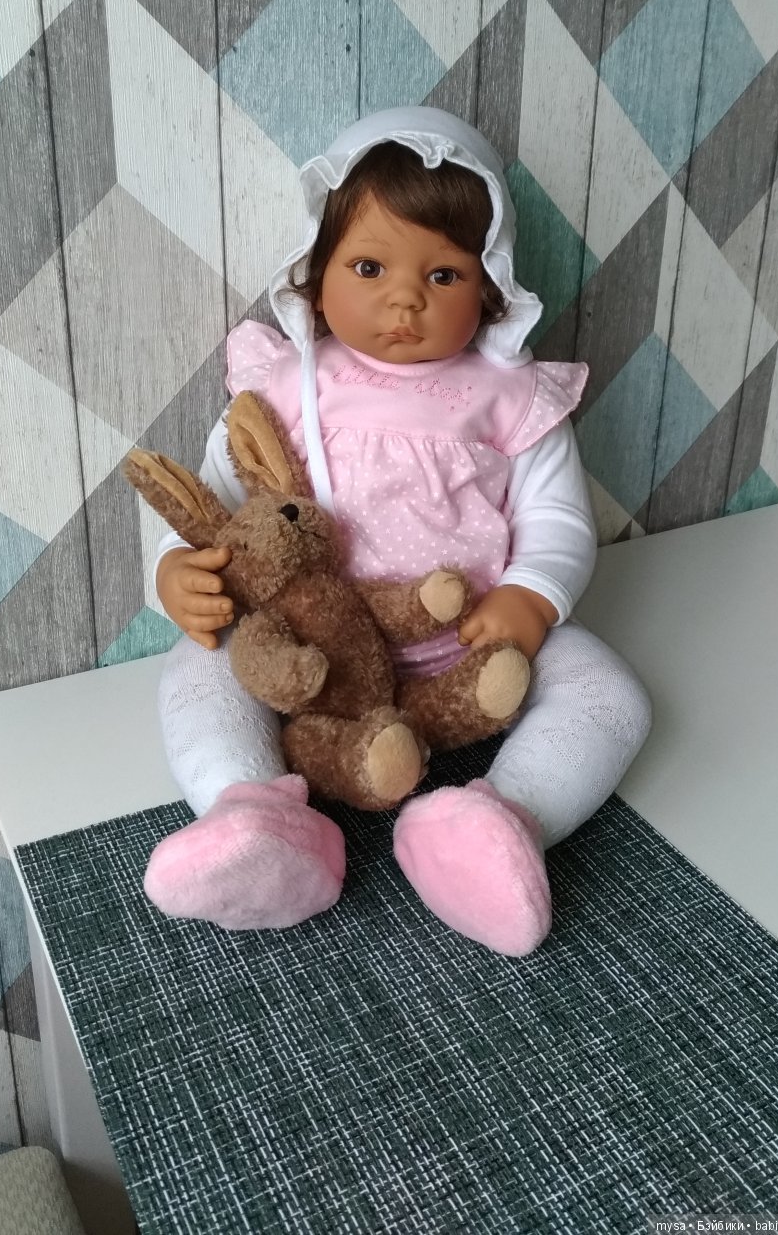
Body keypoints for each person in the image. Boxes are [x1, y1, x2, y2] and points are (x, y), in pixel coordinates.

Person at [145, 106, 651, 956]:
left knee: (613, 695)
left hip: (470, 640)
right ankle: (254, 816)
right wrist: (176, 571)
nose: (406, 298)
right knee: (198, 669)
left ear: (490, 286)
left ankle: (498, 824)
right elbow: (216, 500)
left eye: (444, 274)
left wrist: (532, 595)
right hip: (309, 648)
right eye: (370, 266)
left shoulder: (510, 397)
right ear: (316, 274)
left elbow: (559, 517)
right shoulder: (286, 384)